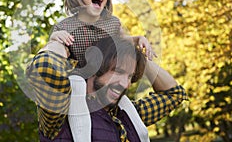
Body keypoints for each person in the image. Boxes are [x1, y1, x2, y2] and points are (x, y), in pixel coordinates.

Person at [49, 0, 157, 141]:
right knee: (76, 83)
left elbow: (125, 41)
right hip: (83, 77)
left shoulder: (112, 23)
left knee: (125, 104)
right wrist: (57, 37)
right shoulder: (66, 26)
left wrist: (138, 39)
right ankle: (82, 137)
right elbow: (54, 45)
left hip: (107, 77)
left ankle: (142, 135)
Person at [26, 36, 187, 141]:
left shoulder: (127, 115)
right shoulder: (61, 113)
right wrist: (57, 44)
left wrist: (139, 54)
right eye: (118, 72)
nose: (125, 84)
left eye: (130, 76)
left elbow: (174, 94)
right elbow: (44, 68)